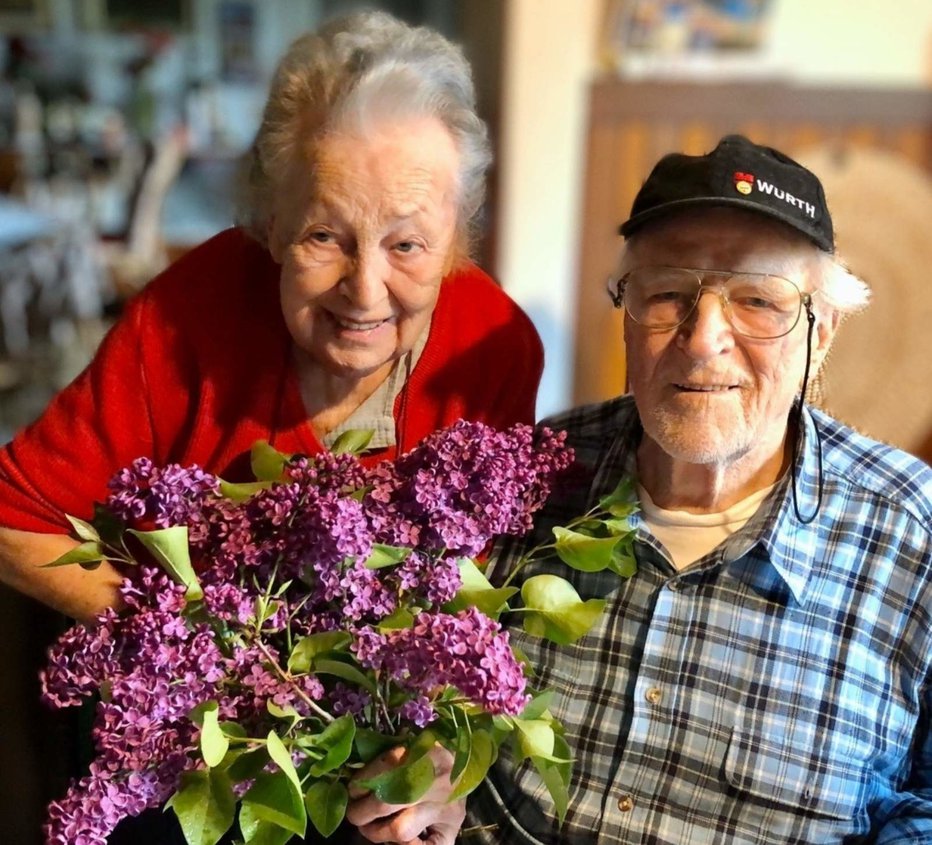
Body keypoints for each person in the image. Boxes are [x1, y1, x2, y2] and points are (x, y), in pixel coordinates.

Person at [0, 11, 542, 845]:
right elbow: (13, 516)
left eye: (407, 244)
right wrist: (190, 651)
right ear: (271, 224)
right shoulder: (189, 312)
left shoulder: (494, 348)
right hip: (180, 772)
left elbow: (461, 606)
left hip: (354, 777)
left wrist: (433, 770)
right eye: (325, 235)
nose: (365, 291)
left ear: (457, 239)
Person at [348, 135, 932, 843]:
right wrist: (428, 781)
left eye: (756, 299)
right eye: (668, 293)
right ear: (627, 312)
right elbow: (425, 715)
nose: (702, 337)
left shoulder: (914, 537)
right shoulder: (519, 482)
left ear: (823, 331)